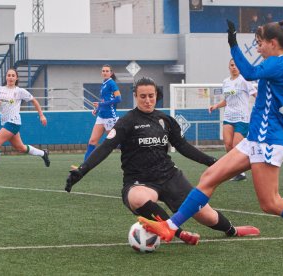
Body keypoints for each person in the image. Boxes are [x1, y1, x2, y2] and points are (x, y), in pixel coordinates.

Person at [138, 20, 283, 256]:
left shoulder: (277, 64)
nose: (257, 48)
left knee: (271, 203)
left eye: (260, 43)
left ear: (273, 43)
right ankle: (169, 227)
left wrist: (233, 43)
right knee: (209, 177)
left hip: (268, 141)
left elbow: (250, 72)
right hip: (257, 138)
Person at [65, 77, 260, 245]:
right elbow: (105, 147)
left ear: (156, 96)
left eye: (151, 96)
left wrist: (213, 161)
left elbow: (183, 147)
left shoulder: (165, 120)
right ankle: (179, 233)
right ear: (136, 96)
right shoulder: (126, 122)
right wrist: (82, 170)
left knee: (206, 215)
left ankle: (232, 230)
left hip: (170, 177)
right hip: (140, 180)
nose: (148, 100)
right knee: (137, 199)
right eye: (143, 96)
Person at [0, 68, 50, 180]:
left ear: (16, 78)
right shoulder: (0, 89)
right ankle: (43, 153)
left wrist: (41, 115)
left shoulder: (20, 91)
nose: (11, 77)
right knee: (20, 148)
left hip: (14, 122)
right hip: (6, 123)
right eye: (9, 75)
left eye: (13, 75)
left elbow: (34, 101)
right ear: (6, 77)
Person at [209, 59, 256, 181]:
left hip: (241, 117)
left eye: (236, 65)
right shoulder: (226, 82)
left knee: (237, 146)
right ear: (228, 67)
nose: (234, 67)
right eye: (231, 65)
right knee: (228, 145)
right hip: (228, 117)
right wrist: (215, 106)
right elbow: (227, 100)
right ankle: (237, 172)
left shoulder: (244, 80)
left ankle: (243, 170)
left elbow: (257, 95)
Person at [83, 64, 122, 161]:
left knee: (117, 143)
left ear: (111, 73)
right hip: (101, 117)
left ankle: (133, 158)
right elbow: (104, 102)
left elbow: (118, 99)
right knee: (92, 141)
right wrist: (97, 109)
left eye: (107, 71)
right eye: (103, 71)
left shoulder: (111, 83)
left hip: (110, 117)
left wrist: (100, 104)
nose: (104, 72)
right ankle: (83, 167)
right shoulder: (104, 83)